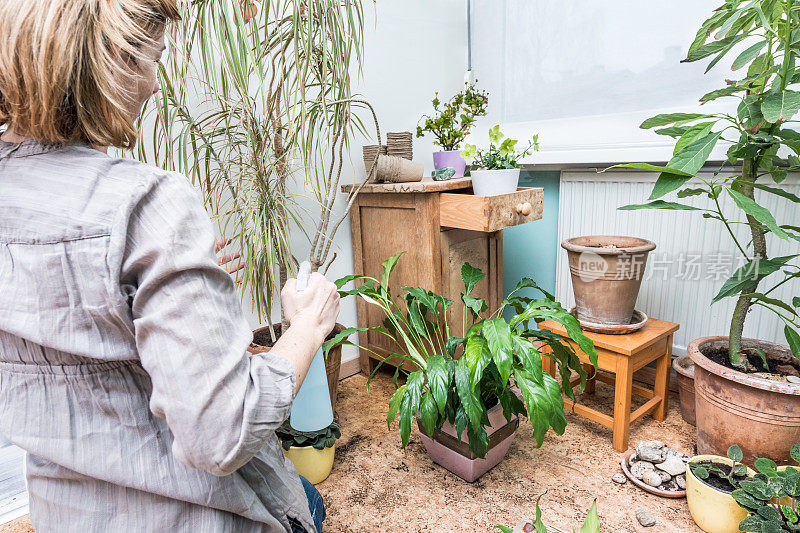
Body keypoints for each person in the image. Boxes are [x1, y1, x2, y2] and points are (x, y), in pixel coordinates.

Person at [0, 1, 339, 531]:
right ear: (112, 56)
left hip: (64, 513)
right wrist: (307, 327)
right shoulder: (144, 205)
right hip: (193, 514)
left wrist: (185, 293)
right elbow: (221, 434)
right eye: (154, 59)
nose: (156, 84)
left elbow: (71, 331)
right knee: (308, 504)